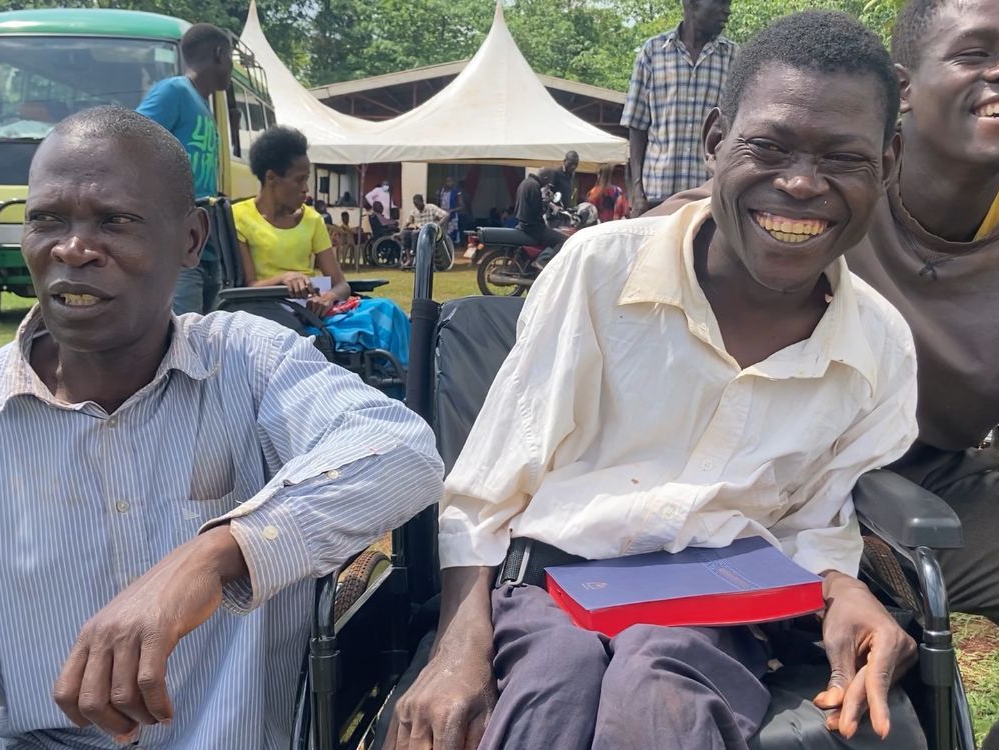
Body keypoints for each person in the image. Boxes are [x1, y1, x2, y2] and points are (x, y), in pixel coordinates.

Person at [387, 12, 919, 749]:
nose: (800, 182)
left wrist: (845, 586)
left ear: (889, 161)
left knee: (659, 681)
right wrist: (456, 645)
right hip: (550, 580)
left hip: (722, 601)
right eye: (767, 146)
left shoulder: (877, 347)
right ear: (714, 142)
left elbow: (815, 521)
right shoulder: (599, 271)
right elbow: (486, 490)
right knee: (552, 681)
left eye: (844, 158)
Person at [0, 107, 443, 750]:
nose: (72, 248)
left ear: (190, 240)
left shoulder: (251, 363)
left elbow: (402, 451)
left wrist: (218, 554)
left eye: (115, 221)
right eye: (47, 218)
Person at [651, 1, 999, 747]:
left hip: (923, 480)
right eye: (975, 52)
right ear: (904, 87)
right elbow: (700, 224)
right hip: (763, 468)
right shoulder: (831, 182)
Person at [137, 23, 233, 315]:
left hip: (206, 245)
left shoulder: (203, 104)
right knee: (181, 335)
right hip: (176, 246)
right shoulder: (174, 91)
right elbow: (129, 140)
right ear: (219, 54)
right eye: (230, 58)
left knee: (202, 337)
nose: (230, 66)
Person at [622, 0, 735, 218]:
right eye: (721, 2)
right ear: (692, 3)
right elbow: (637, 126)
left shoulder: (732, 57)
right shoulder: (653, 52)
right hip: (656, 194)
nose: (727, 10)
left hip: (706, 196)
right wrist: (637, 192)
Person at [233, 127, 349, 317]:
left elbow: (341, 284)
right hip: (266, 313)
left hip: (311, 313)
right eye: (299, 180)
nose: (306, 189)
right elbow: (249, 287)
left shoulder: (313, 220)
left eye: (307, 180)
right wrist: (284, 278)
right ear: (271, 178)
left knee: (387, 311)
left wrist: (328, 297)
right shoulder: (238, 217)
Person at [516, 168, 569, 269]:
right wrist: (546, 205)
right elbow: (537, 211)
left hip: (523, 223)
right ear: (544, 178)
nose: (546, 185)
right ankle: (545, 262)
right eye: (547, 183)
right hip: (533, 227)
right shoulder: (534, 186)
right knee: (563, 240)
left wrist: (545, 201)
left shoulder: (525, 183)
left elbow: (531, 205)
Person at [401, 193, 450, 259]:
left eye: (418, 204)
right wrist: (401, 231)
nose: (417, 206)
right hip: (419, 230)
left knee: (415, 233)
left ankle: (415, 255)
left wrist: (438, 225)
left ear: (422, 201)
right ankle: (409, 258)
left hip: (430, 230)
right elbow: (408, 221)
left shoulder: (431, 208)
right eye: (415, 204)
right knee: (405, 233)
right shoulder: (414, 211)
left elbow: (446, 215)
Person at [438, 176, 469, 244]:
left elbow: (462, 206)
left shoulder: (456, 192)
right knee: (441, 234)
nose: (450, 183)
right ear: (445, 182)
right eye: (448, 181)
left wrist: (451, 210)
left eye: (451, 181)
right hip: (441, 216)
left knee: (451, 235)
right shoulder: (441, 191)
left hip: (452, 217)